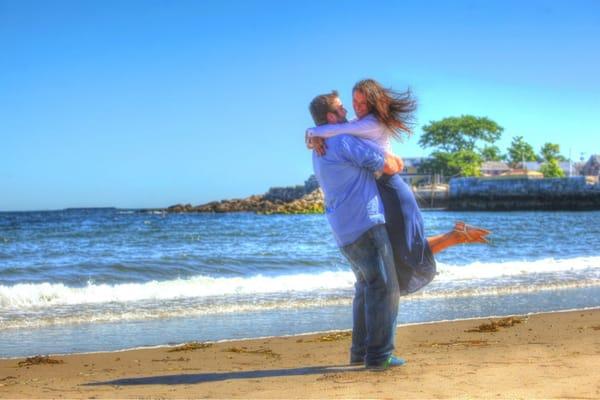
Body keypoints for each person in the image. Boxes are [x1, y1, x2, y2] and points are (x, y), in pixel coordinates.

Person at [306, 79, 490, 293]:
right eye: (354, 101)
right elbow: (335, 131)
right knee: (399, 252)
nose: (356, 107)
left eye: (363, 103)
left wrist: (313, 133)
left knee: (408, 252)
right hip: (378, 191)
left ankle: (456, 236)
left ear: (374, 104)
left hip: (391, 189)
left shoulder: (370, 123)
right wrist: (313, 138)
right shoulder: (358, 122)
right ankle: (457, 235)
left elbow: (335, 130)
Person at [308, 91, 405, 370]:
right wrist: (396, 160)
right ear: (331, 117)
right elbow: (388, 165)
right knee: (385, 288)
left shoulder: (321, 147)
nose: (347, 113)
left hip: (342, 229)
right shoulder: (341, 140)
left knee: (366, 287)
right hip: (365, 222)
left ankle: (360, 354)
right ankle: (378, 356)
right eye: (341, 109)